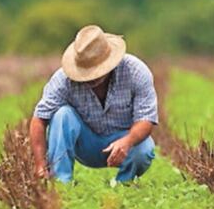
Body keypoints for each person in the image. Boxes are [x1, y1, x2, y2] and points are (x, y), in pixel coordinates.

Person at [30, 24, 158, 183]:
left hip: (123, 141)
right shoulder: (63, 80)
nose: (91, 77)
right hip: (85, 144)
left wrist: (127, 141)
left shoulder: (136, 72)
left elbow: (146, 119)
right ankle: (61, 183)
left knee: (144, 148)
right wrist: (40, 164)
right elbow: (39, 119)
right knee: (62, 115)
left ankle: (123, 185)